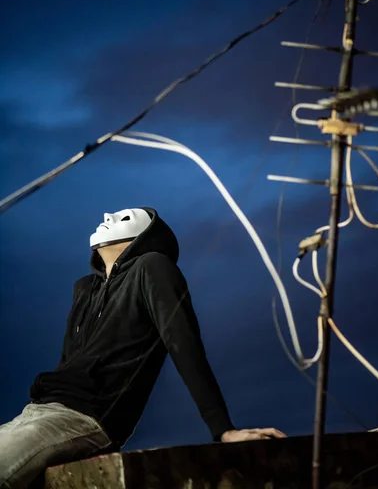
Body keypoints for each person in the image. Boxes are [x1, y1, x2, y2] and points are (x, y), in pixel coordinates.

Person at [0, 207, 286, 488]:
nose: (106, 217)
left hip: (84, 417)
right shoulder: (85, 288)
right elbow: (70, 360)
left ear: (143, 237)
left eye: (125, 218)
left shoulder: (152, 266)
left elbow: (184, 344)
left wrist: (223, 430)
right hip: (38, 410)